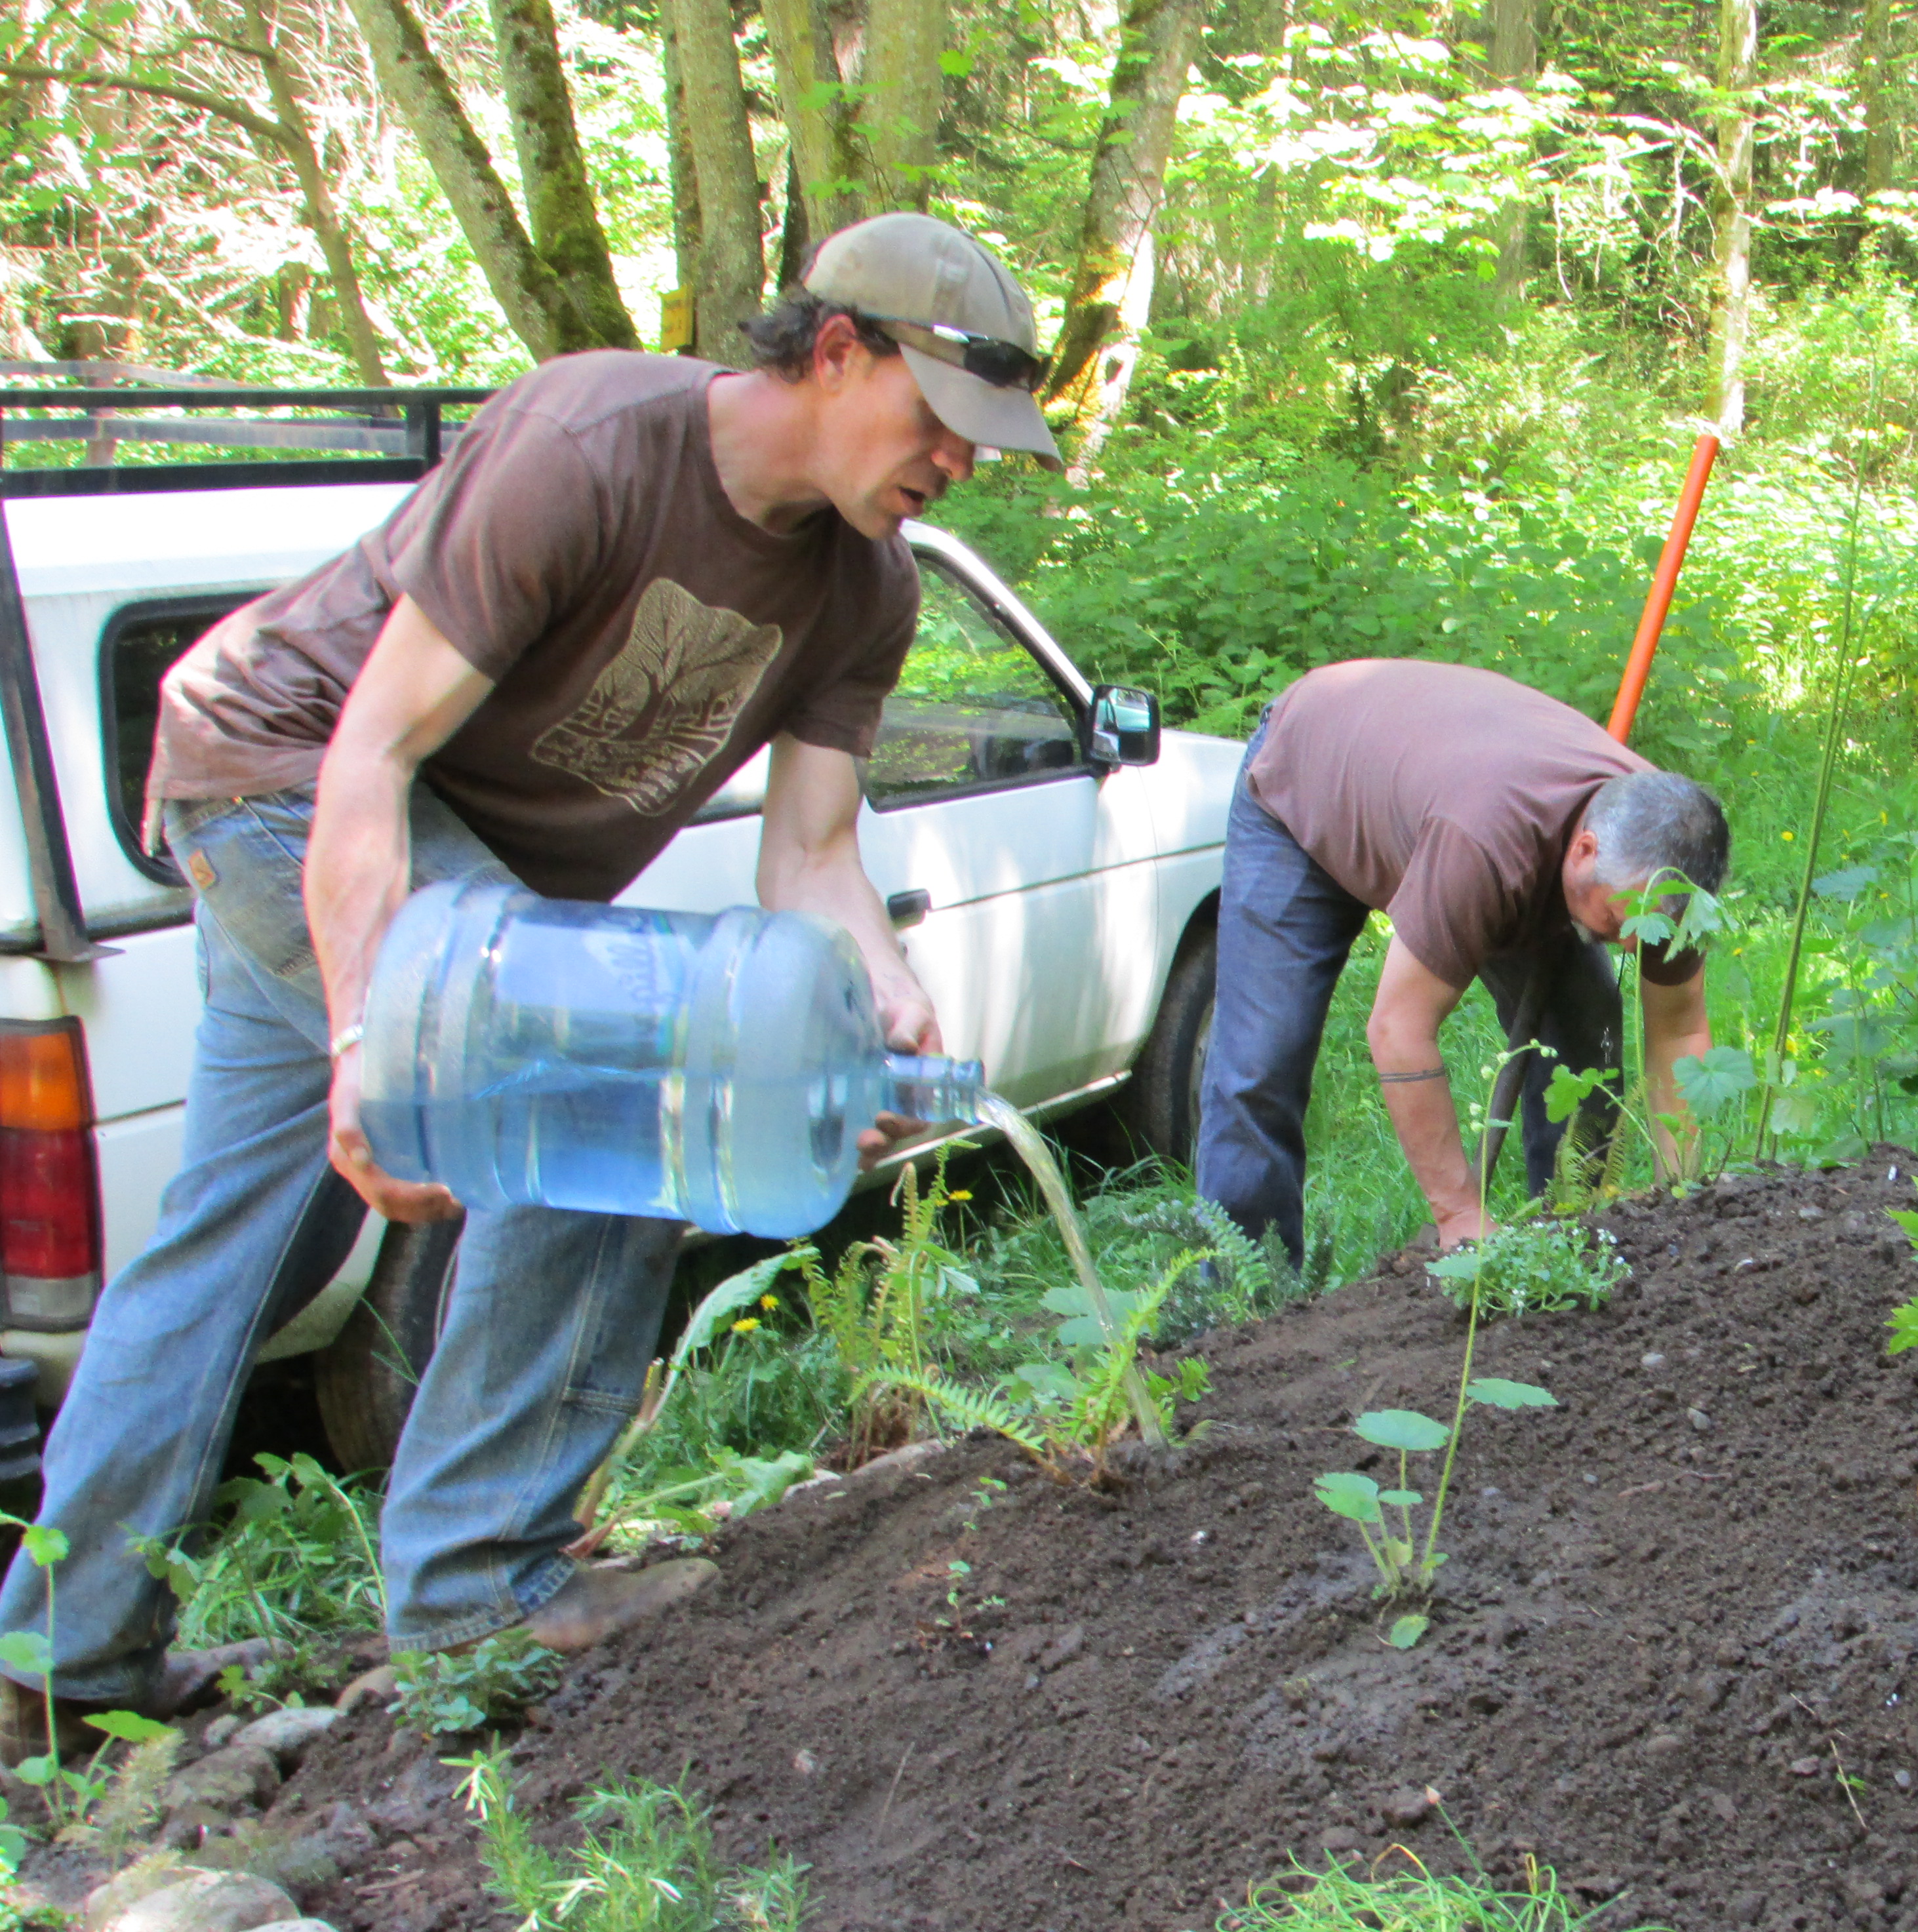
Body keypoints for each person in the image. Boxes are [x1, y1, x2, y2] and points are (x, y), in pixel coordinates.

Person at [0, 214, 1063, 1756]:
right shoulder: (591, 442)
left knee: (243, 1239)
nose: (957, 464)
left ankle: (57, 1654)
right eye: (941, 423)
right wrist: (372, 1026)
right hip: (285, 777)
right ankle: (473, 1593)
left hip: (447, 848)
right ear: (839, 350)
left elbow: (815, 855)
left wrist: (883, 987)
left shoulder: (865, 589)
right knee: (632, 1088)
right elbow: (375, 751)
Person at [1195, 658, 1732, 1265]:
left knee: (1585, 1024)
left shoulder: (1665, 852)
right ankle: (1246, 1293)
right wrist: (1460, 1216)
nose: (1634, 944)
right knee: (1261, 1061)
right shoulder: (1485, 843)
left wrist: (1679, 1198)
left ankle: (1575, 1237)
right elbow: (1398, 1030)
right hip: (1306, 782)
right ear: (1584, 850)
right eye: (1618, 923)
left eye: (1648, 928)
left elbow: (1679, 1028)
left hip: (1435, 796)